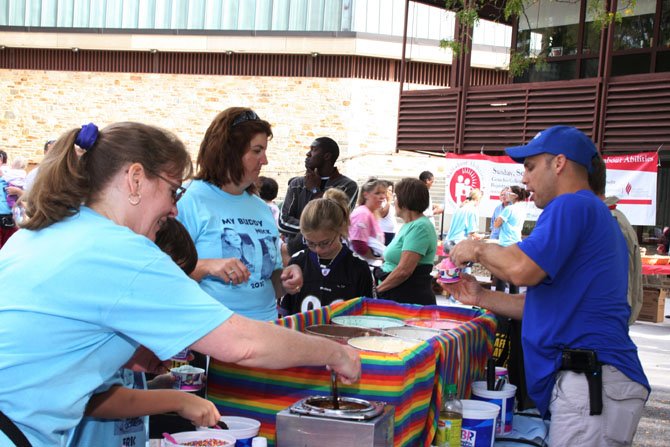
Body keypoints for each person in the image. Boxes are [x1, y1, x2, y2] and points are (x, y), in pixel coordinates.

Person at [0, 122, 361, 446]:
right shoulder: (119, 250)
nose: (175, 210)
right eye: (174, 191)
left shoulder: (50, 232)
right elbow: (242, 343)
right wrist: (335, 353)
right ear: (135, 178)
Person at [442, 125, 649, 446]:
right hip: (593, 384)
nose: (524, 179)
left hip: (592, 383)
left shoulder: (572, 205)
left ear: (560, 163)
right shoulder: (590, 212)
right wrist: (479, 295)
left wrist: (479, 248)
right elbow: (541, 305)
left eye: (530, 166)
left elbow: (522, 270)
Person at [70, 218, 217, 447]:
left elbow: (126, 391)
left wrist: (157, 385)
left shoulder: (136, 326)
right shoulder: (108, 326)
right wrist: (176, 400)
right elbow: (95, 400)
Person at [177, 107, 303, 322]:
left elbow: (268, 282)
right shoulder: (187, 200)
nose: (265, 160)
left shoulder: (261, 208)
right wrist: (207, 266)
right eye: (257, 151)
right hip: (213, 332)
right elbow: (163, 276)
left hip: (265, 327)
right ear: (229, 152)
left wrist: (287, 279)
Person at [279, 188, 373, 315]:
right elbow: (285, 311)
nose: (318, 249)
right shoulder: (298, 262)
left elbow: (367, 314)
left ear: (341, 229)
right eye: (310, 243)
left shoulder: (358, 267)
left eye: (325, 243)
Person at [279, 137, 358, 254]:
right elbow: (283, 222)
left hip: (329, 255)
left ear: (327, 156)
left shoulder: (347, 186)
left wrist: (315, 190)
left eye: (313, 150)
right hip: (296, 253)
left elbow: (337, 222)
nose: (308, 154)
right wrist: (316, 230)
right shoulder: (297, 184)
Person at [589, 154, 643, 325]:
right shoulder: (609, 218)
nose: (525, 180)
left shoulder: (608, 222)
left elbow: (617, 288)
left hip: (603, 327)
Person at [376, 178, 437, 305]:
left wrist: (377, 291)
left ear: (405, 200)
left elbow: (404, 270)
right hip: (398, 295)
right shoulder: (409, 225)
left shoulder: (420, 227)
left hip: (408, 299)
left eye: (396, 197)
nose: (394, 202)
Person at [493, 185, 530, 294]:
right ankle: (513, 302)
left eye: (508, 192)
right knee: (514, 277)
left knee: (500, 276)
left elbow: (496, 224)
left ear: (515, 196)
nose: (506, 195)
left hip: (505, 245)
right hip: (517, 244)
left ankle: (498, 304)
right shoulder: (522, 209)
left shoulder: (508, 209)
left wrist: (498, 219)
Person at [349, 177, 386, 266]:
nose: (382, 197)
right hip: (364, 265)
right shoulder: (362, 213)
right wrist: (375, 258)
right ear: (366, 195)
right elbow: (358, 244)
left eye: (383, 193)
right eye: (377, 193)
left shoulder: (370, 213)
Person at [378, 179, 397, 246]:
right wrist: (389, 201)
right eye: (388, 190)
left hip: (391, 232)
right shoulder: (380, 201)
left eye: (391, 190)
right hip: (383, 232)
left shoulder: (387, 201)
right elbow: (382, 214)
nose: (390, 192)